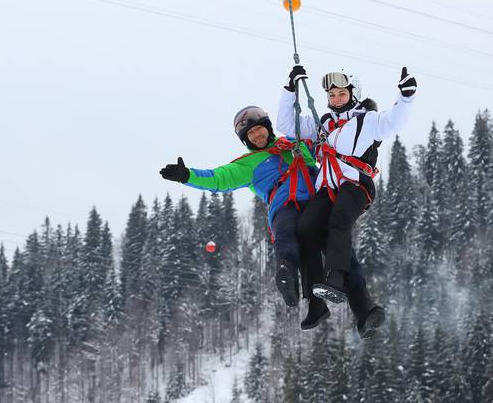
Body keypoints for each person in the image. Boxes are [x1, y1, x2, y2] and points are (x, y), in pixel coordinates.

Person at [159, 105, 384, 337]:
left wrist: (361, 118)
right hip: (285, 204)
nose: (257, 136)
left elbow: (332, 143)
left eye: (259, 130)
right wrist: (186, 176)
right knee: (288, 235)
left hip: (318, 200)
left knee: (340, 250)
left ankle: (364, 310)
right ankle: (288, 272)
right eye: (250, 134)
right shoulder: (248, 164)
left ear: (267, 128)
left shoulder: (295, 144)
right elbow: (219, 179)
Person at [277, 65, 417, 312]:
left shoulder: (367, 121)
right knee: (306, 227)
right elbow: (286, 124)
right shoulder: (324, 124)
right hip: (328, 186)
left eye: (341, 94)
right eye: (331, 96)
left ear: (353, 93)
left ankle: (336, 279)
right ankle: (315, 297)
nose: (336, 100)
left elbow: (395, 121)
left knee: (339, 220)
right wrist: (291, 89)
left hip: (356, 183)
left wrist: (406, 96)